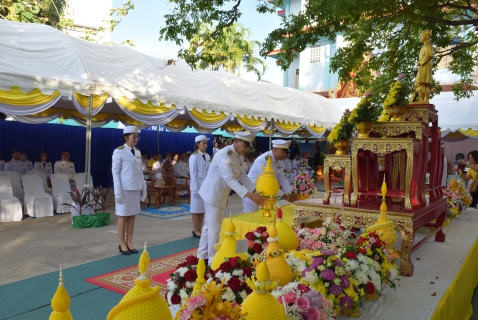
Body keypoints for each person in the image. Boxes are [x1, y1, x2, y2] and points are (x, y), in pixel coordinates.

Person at [198, 132, 265, 263]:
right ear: (235, 141)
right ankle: (213, 261)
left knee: (208, 226)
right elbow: (229, 179)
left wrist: (255, 190)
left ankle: (202, 256)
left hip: (220, 195)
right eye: (244, 145)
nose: (246, 149)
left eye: (248, 146)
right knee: (214, 228)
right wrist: (249, 195)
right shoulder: (223, 155)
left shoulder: (239, 157)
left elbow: (242, 176)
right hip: (213, 194)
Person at [112, 126, 147, 255]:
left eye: (137, 136)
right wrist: (117, 191)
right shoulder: (119, 151)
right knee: (123, 216)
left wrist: (144, 187)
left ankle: (129, 242)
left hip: (135, 187)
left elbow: (140, 172)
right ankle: (122, 243)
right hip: (124, 188)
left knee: (132, 215)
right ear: (126, 138)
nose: (136, 139)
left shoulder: (137, 152)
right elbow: (115, 172)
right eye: (134, 137)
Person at [243, 140, 293, 213]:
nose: (285, 154)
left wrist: (291, 192)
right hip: (253, 193)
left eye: (286, 152)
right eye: (284, 152)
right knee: (251, 219)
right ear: (275, 150)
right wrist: (285, 197)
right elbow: (268, 183)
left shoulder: (279, 161)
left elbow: (282, 179)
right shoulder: (264, 160)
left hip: (265, 194)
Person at [189, 135, 211, 238]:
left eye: (206, 143)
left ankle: (200, 229)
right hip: (196, 186)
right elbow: (193, 174)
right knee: (195, 209)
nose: (205, 145)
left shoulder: (207, 156)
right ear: (198, 144)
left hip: (205, 186)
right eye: (203, 143)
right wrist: (195, 189)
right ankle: (195, 229)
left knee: (202, 209)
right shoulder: (194, 156)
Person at [412, 30, 433, 104]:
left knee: (419, 83)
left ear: (426, 36)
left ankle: (422, 100)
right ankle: (425, 100)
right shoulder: (427, 44)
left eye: (421, 36)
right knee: (425, 84)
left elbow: (430, 55)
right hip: (425, 67)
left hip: (424, 66)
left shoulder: (427, 44)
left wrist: (421, 62)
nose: (420, 37)